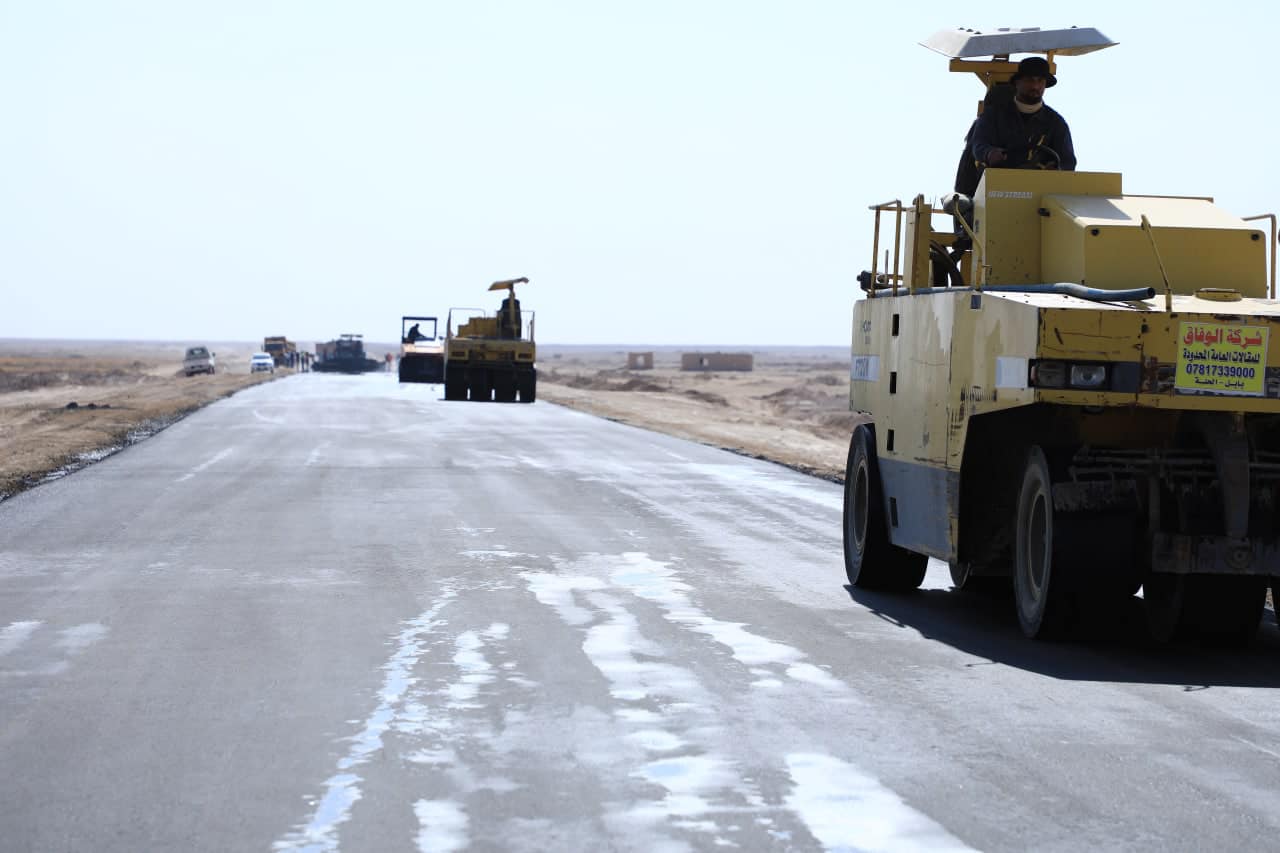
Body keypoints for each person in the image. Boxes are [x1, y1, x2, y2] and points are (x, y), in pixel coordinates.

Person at [969, 56, 1076, 182]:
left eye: (1040, 81)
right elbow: (979, 145)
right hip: (996, 185)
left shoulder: (1056, 123)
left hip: (1039, 188)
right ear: (1017, 83)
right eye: (1030, 80)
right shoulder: (992, 116)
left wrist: (1057, 170)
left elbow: (1067, 162)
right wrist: (989, 153)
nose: (1035, 86)